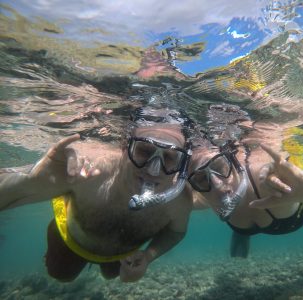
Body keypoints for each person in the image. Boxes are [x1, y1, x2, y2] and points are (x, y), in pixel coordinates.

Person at [0, 108, 193, 282]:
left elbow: (176, 231)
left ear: (182, 165)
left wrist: (149, 255)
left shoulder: (180, 199)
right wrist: (28, 182)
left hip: (123, 254)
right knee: (60, 274)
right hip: (71, 242)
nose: (153, 169)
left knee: (110, 275)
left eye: (169, 157)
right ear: (124, 147)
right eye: (144, 150)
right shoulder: (87, 171)